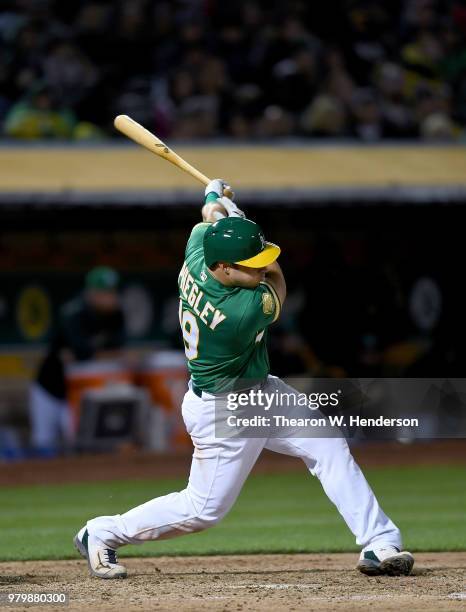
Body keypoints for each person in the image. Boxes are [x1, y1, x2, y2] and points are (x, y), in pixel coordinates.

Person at [74, 181, 414, 579]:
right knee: (202, 511)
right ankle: (102, 531)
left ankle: (379, 542)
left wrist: (214, 198)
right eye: (247, 264)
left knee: (327, 444)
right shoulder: (238, 313)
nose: (256, 267)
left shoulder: (200, 250)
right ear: (223, 269)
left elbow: (206, 222)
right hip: (224, 410)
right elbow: (277, 280)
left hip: (261, 390)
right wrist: (236, 215)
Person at [30, 266, 126, 455]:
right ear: (91, 293)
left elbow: (118, 348)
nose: (111, 298)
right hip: (49, 387)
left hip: (78, 391)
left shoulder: (116, 315)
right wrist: (99, 353)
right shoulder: (73, 312)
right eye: (105, 293)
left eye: (113, 292)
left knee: (76, 441)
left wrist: (94, 353)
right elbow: (80, 351)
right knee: (43, 441)